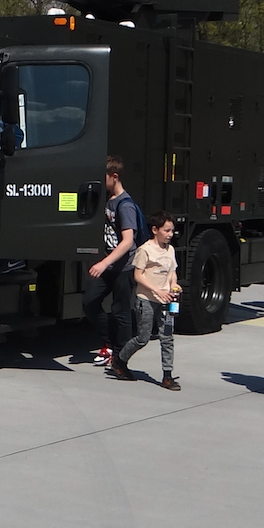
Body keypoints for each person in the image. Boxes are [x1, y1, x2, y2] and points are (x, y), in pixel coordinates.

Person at [83, 155, 138, 372]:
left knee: (121, 311)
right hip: (109, 264)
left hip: (123, 267)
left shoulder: (125, 205)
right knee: (90, 302)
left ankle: (120, 356)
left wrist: (103, 263)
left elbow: (127, 242)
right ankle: (109, 343)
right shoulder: (108, 200)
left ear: (114, 177)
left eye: (102, 177)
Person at [119, 210, 181, 390]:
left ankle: (167, 376)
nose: (170, 235)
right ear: (155, 230)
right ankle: (120, 360)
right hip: (146, 298)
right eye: (166, 231)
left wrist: (174, 285)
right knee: (143, 337)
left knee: (167, 337)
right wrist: (156, 290)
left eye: (172, 231)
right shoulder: (145, 250)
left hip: (166, 300)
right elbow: (138, 275)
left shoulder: (170, 250)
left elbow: (172, 272)